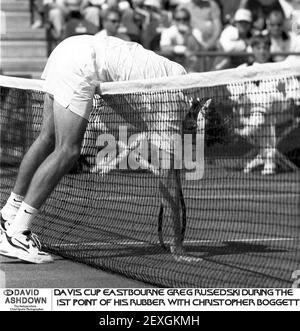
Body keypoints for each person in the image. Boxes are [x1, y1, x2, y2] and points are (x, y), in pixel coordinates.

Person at [0, 35, 186, 264]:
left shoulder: (175, 73)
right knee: (67, 150)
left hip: (67, 48)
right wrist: (177, 243)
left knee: (46, 139)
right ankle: (17, 232)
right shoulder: (176, 100)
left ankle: (8, 215)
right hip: (83, 64)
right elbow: (167, 175)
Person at [235, 33, 276, 175]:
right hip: (247, 113)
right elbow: (234, 93)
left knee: (264, 101)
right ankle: (267, 158)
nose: (262, 51)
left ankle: (250, 131)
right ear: (252, 49)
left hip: (278, 112)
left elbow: (291, 94)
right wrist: (241, 97)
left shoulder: (279, 68)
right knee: (264, 119)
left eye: (265, 47)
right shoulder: (243, 68)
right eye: (259, 47)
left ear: (270, 49)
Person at [160, 7, 204, 71]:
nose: (181, 21)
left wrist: (189, 35)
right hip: (172, 69)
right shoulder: (168, 32)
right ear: (174, 20)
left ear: (189, 20)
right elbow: (164, 48)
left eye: (185, 19)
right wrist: (183, 50)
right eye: (178, 19)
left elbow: (201, 49)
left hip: (192, 69)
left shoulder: (196, 32)